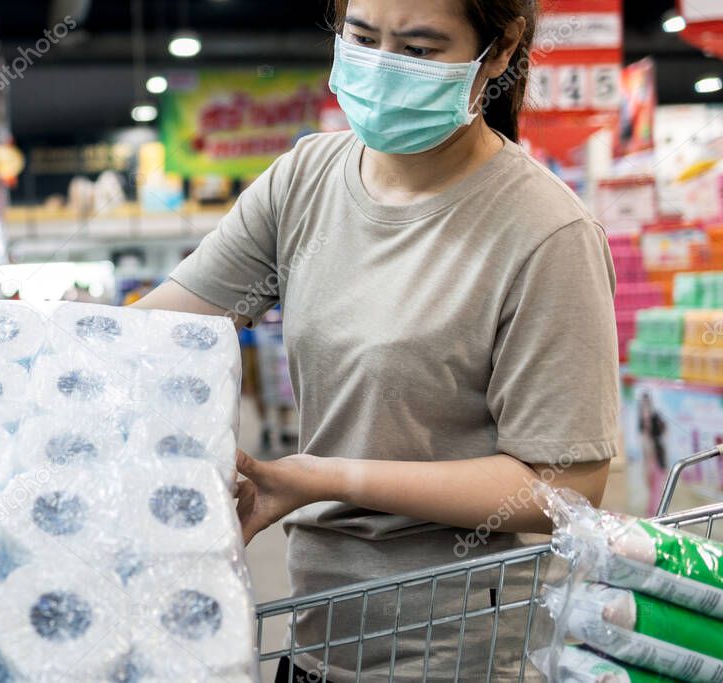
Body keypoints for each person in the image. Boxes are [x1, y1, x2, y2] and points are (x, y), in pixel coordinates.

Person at [135, 0, 619, 679]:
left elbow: (562, 485)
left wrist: (321, 476)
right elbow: (156, 331)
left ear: (501, 51)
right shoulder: (305, 181)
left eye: (419, 51)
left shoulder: (545, 235)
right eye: (362, 37)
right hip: (313, 628)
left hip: (453, 649)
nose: (383, 68)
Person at [638, 392, 667, 514]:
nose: (645, 408)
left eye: (646, 404)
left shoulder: (656, 419)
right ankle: (652, 512)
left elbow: (663, 431)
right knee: (651, 486)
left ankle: (656, 513)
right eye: (642, 405)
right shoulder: (642, 424)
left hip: (657, 459)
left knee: (657, 488)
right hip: (648, 460)